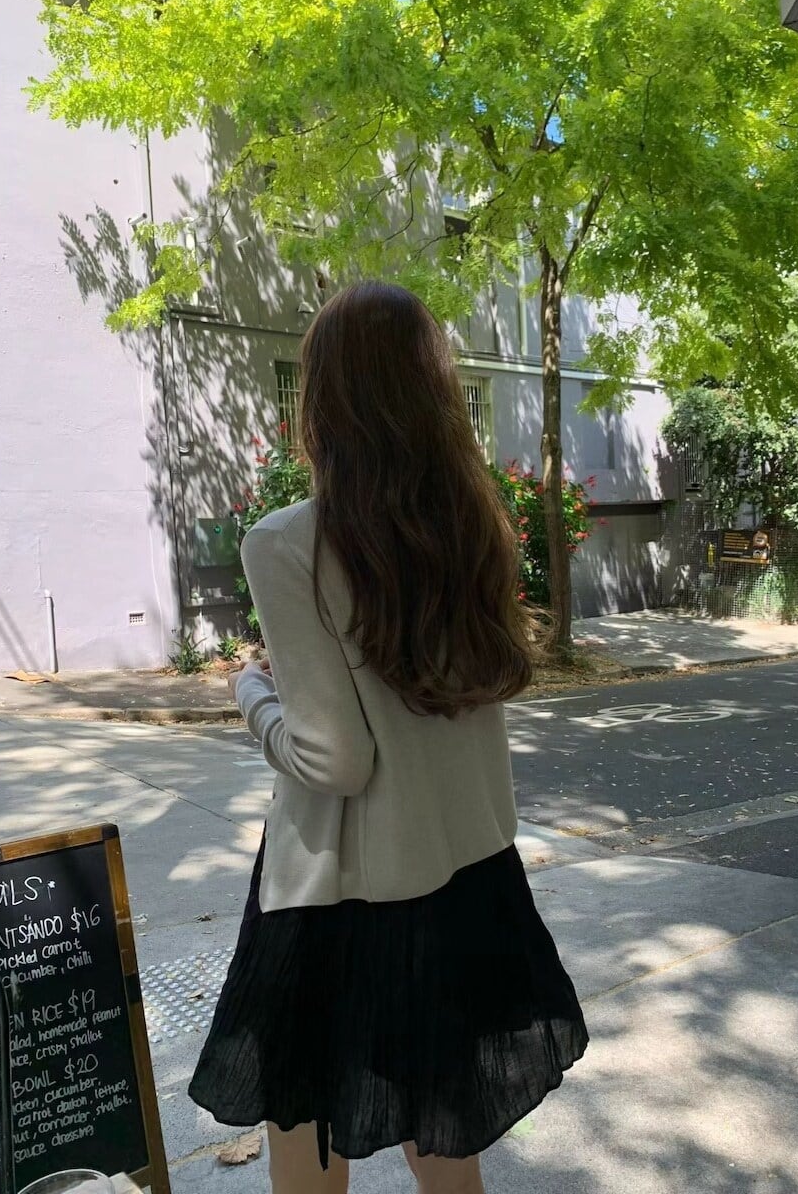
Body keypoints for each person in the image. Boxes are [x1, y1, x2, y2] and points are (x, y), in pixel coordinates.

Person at [188, 281, 588, 1194]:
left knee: (308, 1136)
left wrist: (252, 692)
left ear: (325, 397)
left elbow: (333, 759)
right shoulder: (470, 527)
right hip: (466, 877)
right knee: (445, 1141)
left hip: (339, 897)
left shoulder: (287, 543)